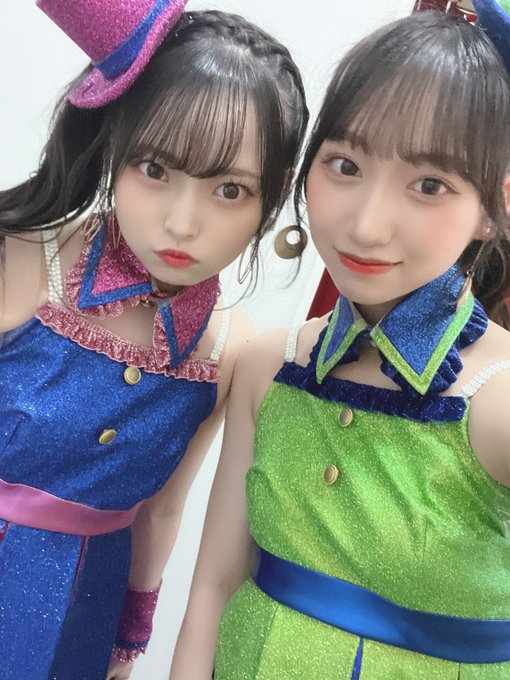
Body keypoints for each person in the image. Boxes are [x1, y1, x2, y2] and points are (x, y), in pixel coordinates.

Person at [170, 3, 510, 678]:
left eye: (430, 184)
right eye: (345, 164)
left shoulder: (494, 402)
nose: (365, 225)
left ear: (493, 207)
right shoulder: (270, 365)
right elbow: (214, 584)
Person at [0, 1, 308, 678]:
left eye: (230, 189)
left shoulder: (227, 350)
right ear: (118, 146)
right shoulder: (19, 260)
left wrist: (127, 648)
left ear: (275, 194)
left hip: (83, 618)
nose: (182, 223)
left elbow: (164, 512)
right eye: (156, 169)